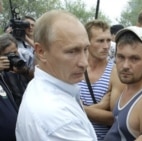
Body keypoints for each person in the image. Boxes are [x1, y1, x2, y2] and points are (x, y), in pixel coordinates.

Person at [15, 10, 98, 141]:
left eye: (85, 49)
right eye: (71, 51)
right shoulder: (59, 119)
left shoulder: (43, 87)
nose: (84, 63)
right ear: (41, 52)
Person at [78, 20, 113, 141]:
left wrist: (76, 107)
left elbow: (114, 118)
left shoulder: (115, 71)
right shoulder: (75, 68)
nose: (106, 46)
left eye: (108, 40)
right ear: (87, 42)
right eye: (100, 41)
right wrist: (100, 107)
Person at [0, 33, 32, 108]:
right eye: (8, 54)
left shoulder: (25, 57)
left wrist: (25, 71)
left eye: (15, 52)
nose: (13, 56)